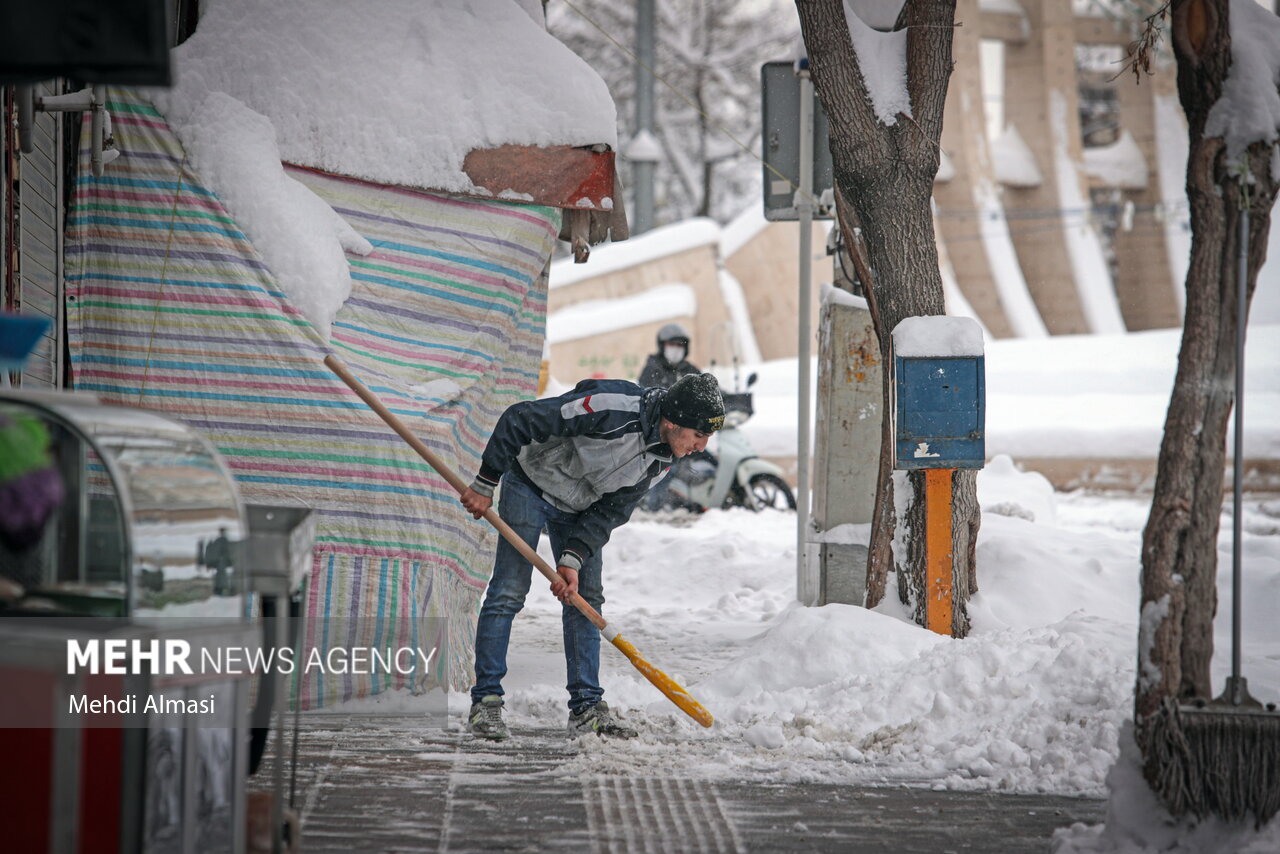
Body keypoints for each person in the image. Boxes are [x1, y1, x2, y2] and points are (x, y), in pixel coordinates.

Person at [459, 372, 725, 740]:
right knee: (509, 589)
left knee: (585, 600)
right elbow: (519, 417)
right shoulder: (610, 408)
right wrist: (485, 483)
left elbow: (612, 510)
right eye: (698, 435)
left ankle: (586, 707)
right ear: (672, 422)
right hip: (531, 483)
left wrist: (573, 557)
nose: (701, 445)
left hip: (581, 509)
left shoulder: (663, 458)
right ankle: (485, 702)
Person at [637, 322, 700, 389]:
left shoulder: (691, 370)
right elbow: (648, 394)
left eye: (680, 345)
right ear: (662, 346)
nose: (676, 349)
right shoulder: (652, 370)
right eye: (671, 344)